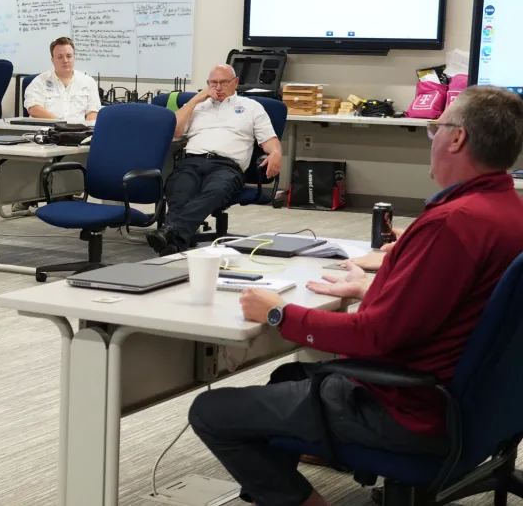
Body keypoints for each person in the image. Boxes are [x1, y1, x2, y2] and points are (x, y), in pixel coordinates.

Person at [189, 86, 523, 506]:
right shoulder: (509, 210)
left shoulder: (453, 223)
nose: (433, 136)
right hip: (483, 408)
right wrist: (377, 286)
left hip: (409, 411)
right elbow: (465, 304)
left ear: (457, 139)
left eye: (436, 127)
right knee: (287, 380)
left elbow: (375, 336)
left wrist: (278, 314)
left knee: (212, 412)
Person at [147, 64, 282, 255]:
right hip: (192, 161)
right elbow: (174, 130)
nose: (218, 87)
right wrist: (195, 100)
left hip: (227, 167)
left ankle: (170, 232)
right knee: (178, 191)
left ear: (235, 83)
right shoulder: (197, 106)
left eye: (223, 82)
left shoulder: (252, 107)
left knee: (215, 191)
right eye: (213, 83)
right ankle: (174, 243)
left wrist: (276, 153)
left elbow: (269, 140)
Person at [23, 36, 101, 122]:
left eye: (69, 56)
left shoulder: (88, 82)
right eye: (60, 57)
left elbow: (93, 112)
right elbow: (34, 109)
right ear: (52, 60)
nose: (65, 60)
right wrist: (61, 125)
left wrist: (85, 130)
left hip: (79, 132)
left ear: (74, 57)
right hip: (47, 131)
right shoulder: (39, 81)